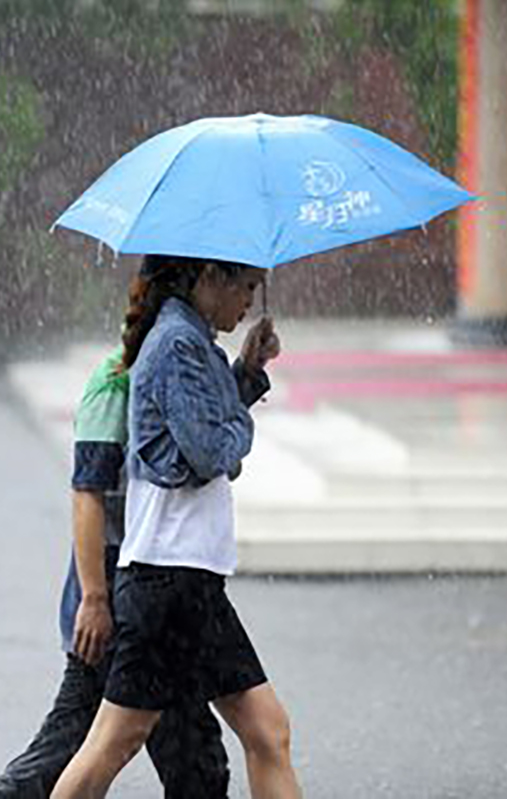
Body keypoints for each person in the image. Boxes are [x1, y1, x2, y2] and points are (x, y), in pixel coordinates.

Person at [50, 254, 302, 799]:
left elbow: (199, 426)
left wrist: (247, 370)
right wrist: (241, 427)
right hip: (166, 579)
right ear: (210, 276)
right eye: (246, 287)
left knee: (268, 731)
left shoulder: (190, 341)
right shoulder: (176, 344)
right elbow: (210, 450)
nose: (248, 303)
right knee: (114, 742)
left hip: (190, 579)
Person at [0, 342, 236, 798]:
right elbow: (87, 493)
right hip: (119, 586)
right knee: (77, 745)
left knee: (191, 759)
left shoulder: (171, 366)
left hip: (158, 587)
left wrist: (246, 377)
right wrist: (94, 599)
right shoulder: (116, 381)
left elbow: (205, 450)